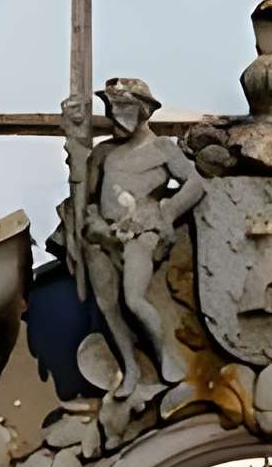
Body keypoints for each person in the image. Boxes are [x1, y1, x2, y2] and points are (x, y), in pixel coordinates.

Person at [72, 75, 201, 409]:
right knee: (108, 306)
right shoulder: (105, 153)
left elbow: (195, 184)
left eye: (121, 108)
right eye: (112, 109)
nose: (115, 117)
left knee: (133, 299)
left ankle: (165, 360)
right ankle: (130, 366)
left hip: (141, 235)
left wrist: (165, 212)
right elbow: (86, 195)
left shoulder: (162, 149)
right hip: (101, 237)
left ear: (142, 111)